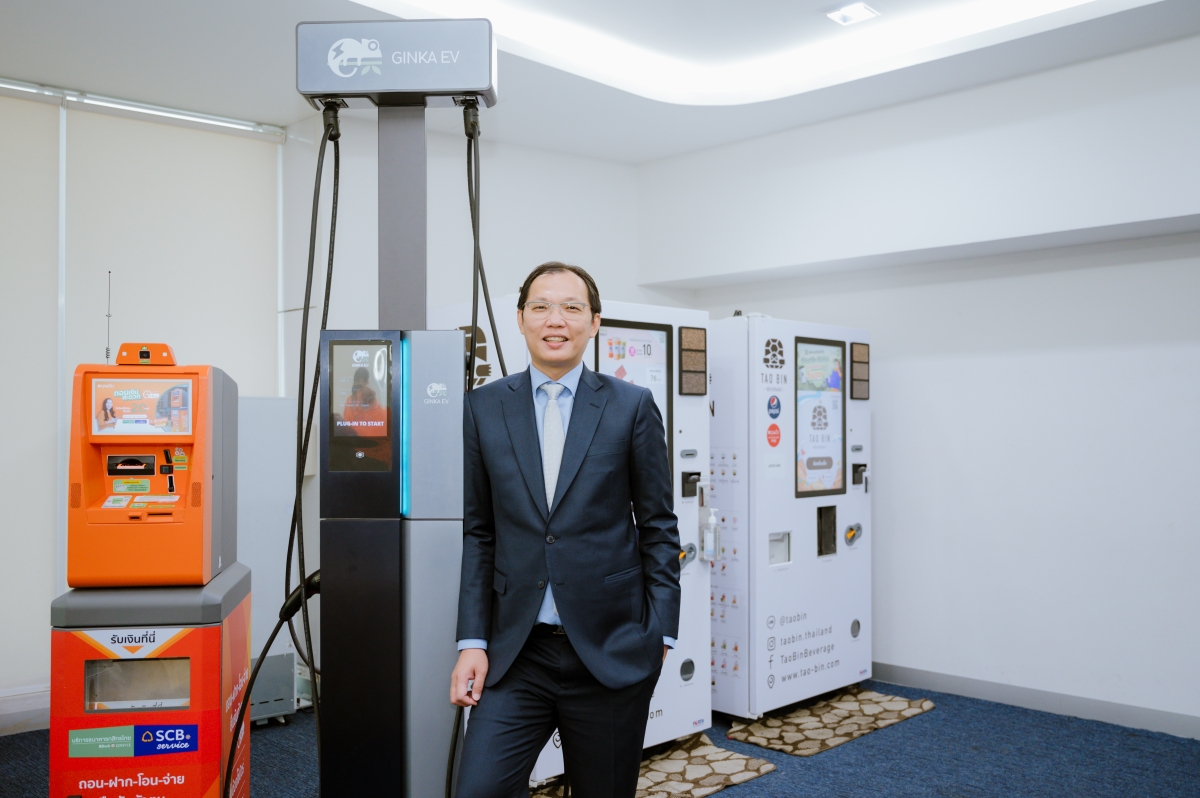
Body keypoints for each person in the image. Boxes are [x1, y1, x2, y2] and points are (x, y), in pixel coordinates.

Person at [451, 262, 680, 798]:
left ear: (594, 322)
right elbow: (479, 532)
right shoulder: (483, 407)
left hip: (610, 649)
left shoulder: (631, 406)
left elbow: (658, 526)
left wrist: (661, 632)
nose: (556, 320)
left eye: (572, 308)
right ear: (521, 319)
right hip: (516, 653)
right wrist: (472, 641)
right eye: (541, 307)